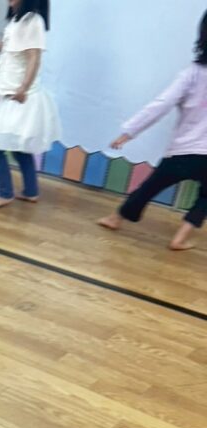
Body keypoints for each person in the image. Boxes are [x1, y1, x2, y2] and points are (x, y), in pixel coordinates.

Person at [97, 10, 207, 251]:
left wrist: (128, 132)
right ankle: (180, 238)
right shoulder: (192, 74)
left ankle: (116, 218)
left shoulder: (192, 74)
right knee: (205, 199)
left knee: (149, 187)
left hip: (183, 152)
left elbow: (160, 105)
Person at [0, 0, 60, 208]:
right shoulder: (17, 20)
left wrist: (23, 88)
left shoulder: (33, 21)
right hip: (11, 94)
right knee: (19, 149)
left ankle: (5, 193)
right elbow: (8, 43)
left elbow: (34, 57)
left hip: (19, 97)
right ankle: (31, 191)